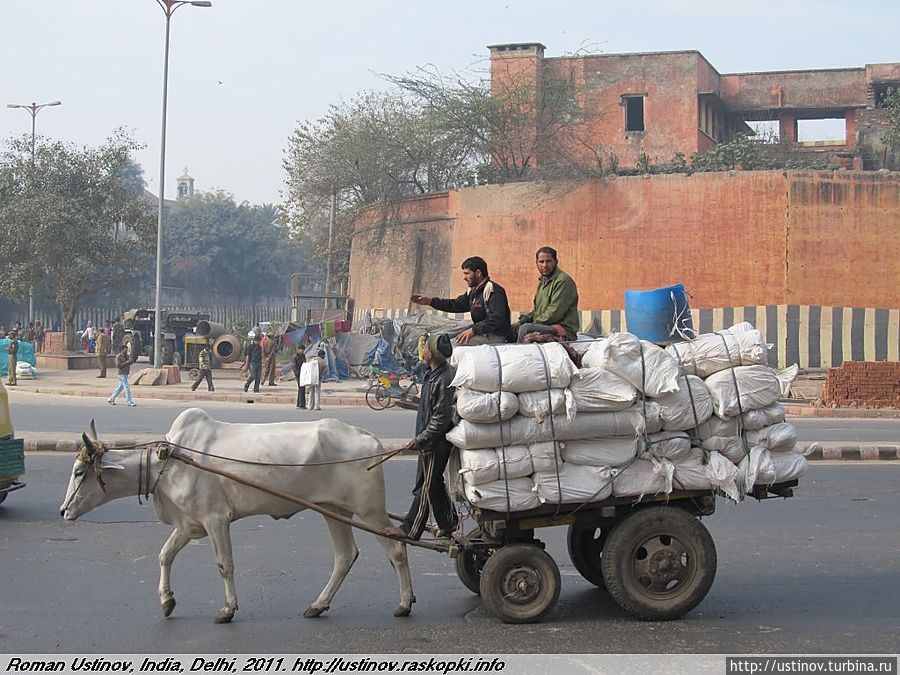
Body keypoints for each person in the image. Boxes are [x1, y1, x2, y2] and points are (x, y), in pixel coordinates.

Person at [380, 333, 459, 541]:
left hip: (435, 443)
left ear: (431, 353)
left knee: (425, 487)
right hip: (429, 441)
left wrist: (422, 438)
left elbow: (441, 418)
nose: (421, 351)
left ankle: (410, 529)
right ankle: (449, 522)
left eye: (424, 348)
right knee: (433, 485)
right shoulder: (433, 374)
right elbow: (431, 407)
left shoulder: (444, 379)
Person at [411, 256, 513, 345]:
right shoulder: (472, 292)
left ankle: (447, 367)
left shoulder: (492, 290)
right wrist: (431, 302)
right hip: (480, 331)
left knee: (449, 346)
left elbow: (496, 319)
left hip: (495, 336)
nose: (464, 278)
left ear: (478, 273)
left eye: (467, 274)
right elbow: (455, 304)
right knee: (441, 338)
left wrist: (473, 330)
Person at [514, 246, 580, 342]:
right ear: (536, 263)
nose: (544, 265)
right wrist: (522, 321)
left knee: (525, 329)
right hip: (545, 325)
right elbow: (537, 311)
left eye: (548, 261)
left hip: (561, 329)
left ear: (556, 262)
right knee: (512, 329)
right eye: (541, 262)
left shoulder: (563, 281)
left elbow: (554, 313)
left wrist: (533, 323)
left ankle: (522, 355)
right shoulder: (542, 282)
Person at [291, 344, 307, 409]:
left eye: (303, 350)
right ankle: (301, 404)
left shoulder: (303, 356)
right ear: (298, 349)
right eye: (301, 350)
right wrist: (297, 373)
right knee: (301, 388)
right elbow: (293, 366)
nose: (302, 351)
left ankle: (300, 404)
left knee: (302, 389)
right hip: (298, 374)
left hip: (303, 374)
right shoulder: (295, 357)